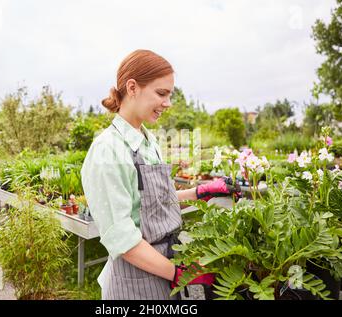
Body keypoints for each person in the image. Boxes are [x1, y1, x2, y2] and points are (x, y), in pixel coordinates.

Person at [81, 49, 240, 300]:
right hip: (135, 282)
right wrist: (179, 274)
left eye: (169, 95)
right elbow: (124, 240)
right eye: (161, 93)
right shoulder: (107, 151)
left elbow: (155, 202)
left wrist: (200, 192)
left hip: (163, 271)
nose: (167, 103)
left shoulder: (148, 140)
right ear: (132, 87)